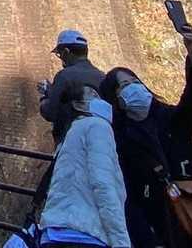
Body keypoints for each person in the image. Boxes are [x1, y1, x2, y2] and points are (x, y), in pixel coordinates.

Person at [97, 29, 192, 248]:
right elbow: (127, 199)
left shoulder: (172, 120)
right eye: (123, 86)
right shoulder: (118, 141)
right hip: (162, 228)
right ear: (115, 98)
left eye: (134, 81)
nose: (133, 88)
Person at [35, 84, 132, 247]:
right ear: (78, 105)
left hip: (54, 232)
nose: (100, 99)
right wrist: (121, 242)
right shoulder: (97, 126)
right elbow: (104, 184)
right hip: (85, 234)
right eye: (93, 95)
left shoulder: (70, 132)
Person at [39, 28, 105, 144]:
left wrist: (45, 98)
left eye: (60, 54)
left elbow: (50, 112)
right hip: (101, 140)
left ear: (66, 52)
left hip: (71, 142)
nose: (61, 58)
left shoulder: (65, 76)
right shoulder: (102, 77)